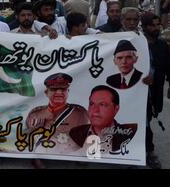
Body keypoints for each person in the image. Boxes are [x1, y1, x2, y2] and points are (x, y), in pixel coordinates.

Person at [26, 73, 89, 153]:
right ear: (46, 92)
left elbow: (84, 139)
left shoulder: (80, 113)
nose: (59, 92)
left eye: (63, 89)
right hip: (42, 153)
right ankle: (37, 159)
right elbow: (28, 136)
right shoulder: (36, 113)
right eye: (54, 89)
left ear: (68, 91)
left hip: (69, 156)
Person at [69, 86, 137, 154]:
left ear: (116, 109)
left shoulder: (130, 132)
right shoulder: (75, 133)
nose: (95, 111)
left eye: (102, 104)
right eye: (91, 104)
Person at [141, 13, 170, 168]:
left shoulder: (162, 46)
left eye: (158, 24)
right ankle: (149, 152)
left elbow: (168, 66)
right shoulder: (139, 44)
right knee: (144, 123)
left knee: (149, 119)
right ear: (145, 27)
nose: (156, 28)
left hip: (156, 90)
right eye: (152, 25)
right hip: (139, 92)